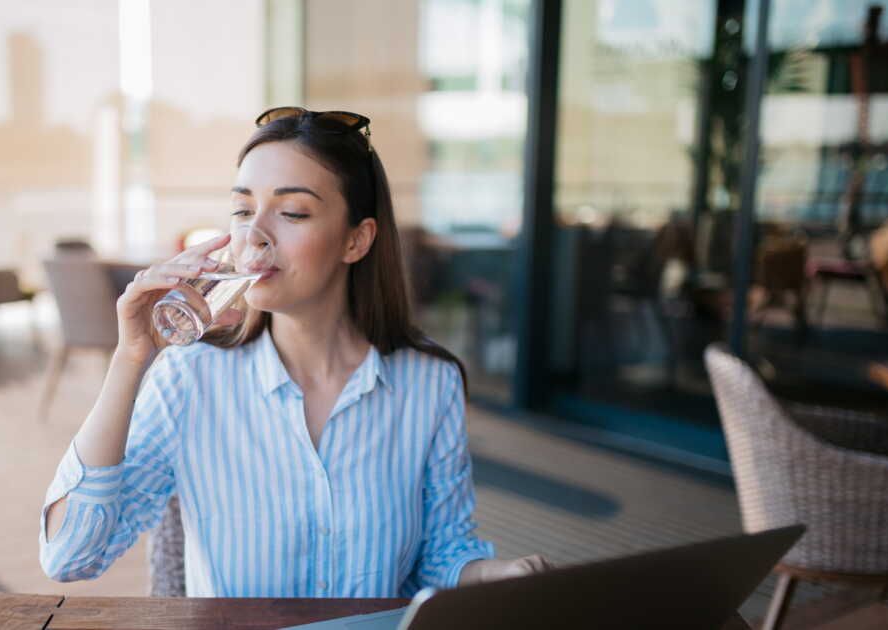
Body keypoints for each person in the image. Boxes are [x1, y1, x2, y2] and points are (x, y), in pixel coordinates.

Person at [40, 107, 550, 597]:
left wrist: (501, 574)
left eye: (292, 213)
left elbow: (442, 556)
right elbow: (70, 556)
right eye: (243, 210)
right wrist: (130, 359)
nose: (254, 235)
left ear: (357, 240)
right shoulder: (190, 379)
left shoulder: (430, 383)